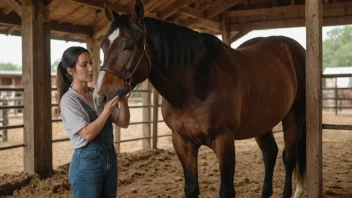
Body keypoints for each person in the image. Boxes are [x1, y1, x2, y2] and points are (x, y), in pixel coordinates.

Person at [56, 46, 130, 198]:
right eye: (84, 65)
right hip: (87, 161)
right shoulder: (69, 100)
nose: (90, 68)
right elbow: (87, 134)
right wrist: (106, 112)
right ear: (71, 71)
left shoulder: (97, 94)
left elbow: (123, 122)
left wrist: (124, 103)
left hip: (110, 156)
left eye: (91, 63)